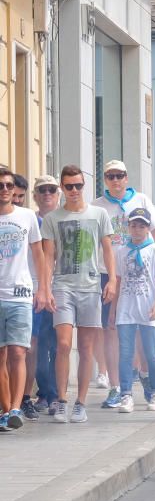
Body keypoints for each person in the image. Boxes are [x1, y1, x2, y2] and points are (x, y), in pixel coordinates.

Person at [42, 165, 116, 423]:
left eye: (78, 185)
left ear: (85, 186)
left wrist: (112, 281)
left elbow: (108, 251)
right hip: (62, 285)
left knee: (86, 347)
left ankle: (81, 402)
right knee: (63, 344)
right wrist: (45, 287)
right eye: (69, 186)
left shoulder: (99, 214)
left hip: (91, 285)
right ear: (62, 188)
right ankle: (61, 400)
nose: (74, 190)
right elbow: (48, 255)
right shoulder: (53, 218)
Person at [91, 160, 155, 408]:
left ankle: (148, 380)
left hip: (146, 277)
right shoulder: (97, 205)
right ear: (104, 179)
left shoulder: (141, 200)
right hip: (109, 273)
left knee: (147, 343)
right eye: (110, 176)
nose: (115, 180)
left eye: (119, 175)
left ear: (126, 177)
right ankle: (118, 388)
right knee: (113, 333)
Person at [0, 167, 49, 430]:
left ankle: (17, 406)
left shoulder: (27, 216)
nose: (5, 190)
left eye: (8, 185)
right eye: (1, 186)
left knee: (19, 352)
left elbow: (39, 253)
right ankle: (6, 410)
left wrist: (42, 289)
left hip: (20, 293)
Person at [112, 208, 155, 413]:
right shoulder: (121, 251)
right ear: (129, 227)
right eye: (134, 225)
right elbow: (119, 280)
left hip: (148, 307)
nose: (137, 230)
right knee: (126, 353)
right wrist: (113, 309)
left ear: (148, 228)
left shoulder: (154, 250)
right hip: (126, 308)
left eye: (142, 226)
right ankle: (126, 394)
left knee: (151, 352)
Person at [21, 175, 60, 420]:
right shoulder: (29, 220)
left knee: (57, 346)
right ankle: (44, 392)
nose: (47, 194)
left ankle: (54, 394)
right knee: (36, 345)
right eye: (42, 190)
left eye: (51, 190)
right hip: (34, 290)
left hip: (60, 290)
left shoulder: (64, 219)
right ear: (35, 195)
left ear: (58, 194)